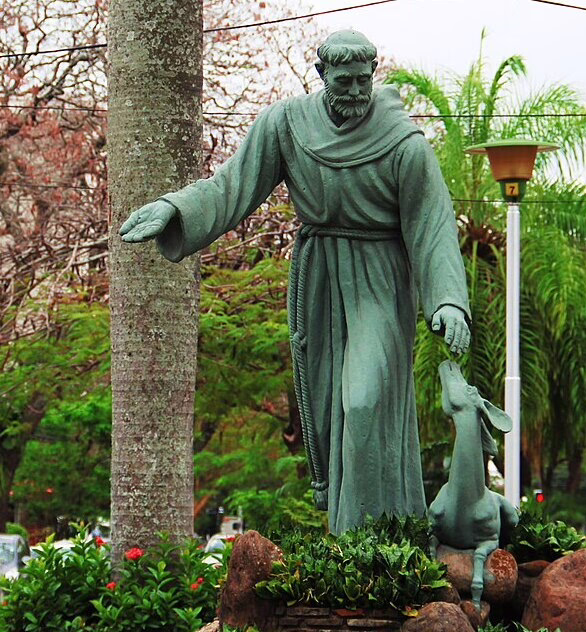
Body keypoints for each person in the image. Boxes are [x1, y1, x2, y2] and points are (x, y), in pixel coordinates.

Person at [119, 30, 471, 533]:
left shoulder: (403, 144)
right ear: (321, 75)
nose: (353, 91)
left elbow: (432, 224)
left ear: (375, 75)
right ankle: (347, 540)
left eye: (362, 80)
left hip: (380, 283)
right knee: (330, 415)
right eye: (343, 80)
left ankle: (370, 543)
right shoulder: (286, 125)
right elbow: (231, 187)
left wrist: (448, 302)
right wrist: (174, 208)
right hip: (320, 281)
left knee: (364, 400)